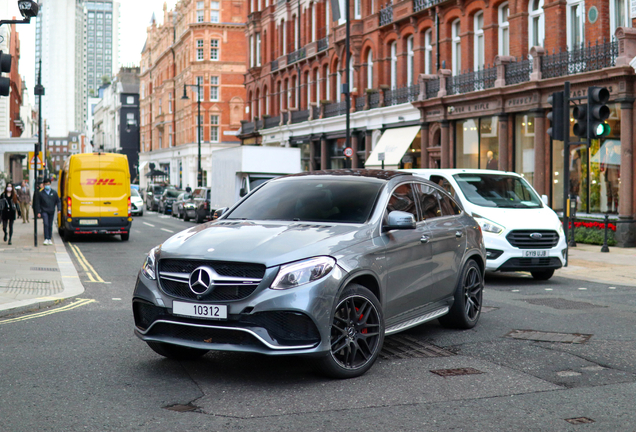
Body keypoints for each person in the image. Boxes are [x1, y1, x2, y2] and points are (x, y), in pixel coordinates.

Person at [33, 178, 61, 245]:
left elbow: (58, 201)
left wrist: (59, 209)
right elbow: (38, 203)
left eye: (48, 184)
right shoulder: (41, 193)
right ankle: (46, 238)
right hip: (44, 211)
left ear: (50, 184)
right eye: (46, 184)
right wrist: (38, 212)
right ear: (44, 185)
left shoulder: (54, 193)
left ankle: (49, 238)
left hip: (51, 211)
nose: (47, 186)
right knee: (45, 223)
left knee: (50, 225)